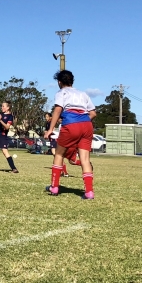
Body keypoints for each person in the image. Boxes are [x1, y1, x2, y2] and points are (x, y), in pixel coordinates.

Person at [44, 70, 97, 199]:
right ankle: (89, 192)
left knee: (59, 154)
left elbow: (58, 109)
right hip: (86, 125)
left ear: (59, 82)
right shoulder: (83, 94)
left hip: (71, 124)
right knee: (85, 160)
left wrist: (51, 129)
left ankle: (54, 187)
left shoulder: (62, 92)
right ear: (72, 81)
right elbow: (93, 113)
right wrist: (82, 121)